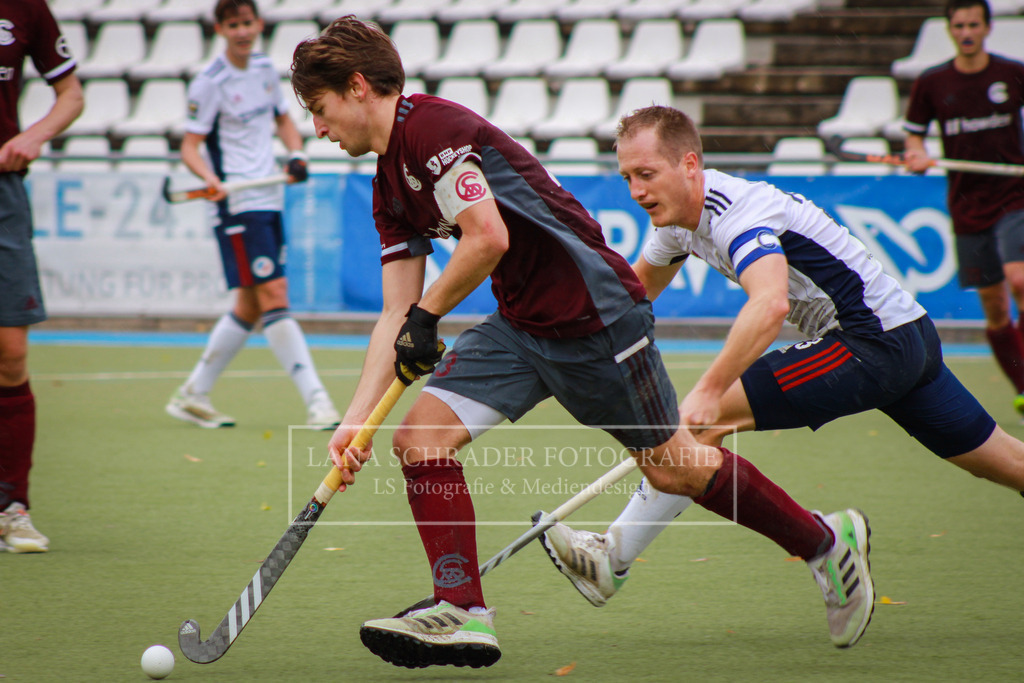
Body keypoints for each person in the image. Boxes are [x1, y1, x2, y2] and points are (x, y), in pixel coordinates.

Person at [290, 17, 875, 669]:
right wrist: (354, 421)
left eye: (319, 109)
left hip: (595, 316)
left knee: (674, 466)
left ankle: (826, 540)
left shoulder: (431, 130)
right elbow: (396, 309)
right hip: (522, 326)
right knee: (418, 441)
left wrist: (428, 315)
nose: (318, 127)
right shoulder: (387, 188)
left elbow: (487, 238)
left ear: (358, 86)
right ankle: (462, 609)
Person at [539, 105, 1024, 614]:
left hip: (872, 344)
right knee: (1010, 464)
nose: (636, 190)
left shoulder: (737, 212)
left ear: (688, 164)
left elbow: (770, 303)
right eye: (626, 177)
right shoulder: (677, 225)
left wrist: (707, 389)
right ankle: (611, 560)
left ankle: (613, 559)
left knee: (698, 430)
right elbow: (634, 299)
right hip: (908, 337)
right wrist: (570, 345)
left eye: (646, 174)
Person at [166, 0, 340, 431]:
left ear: (258, 24)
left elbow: (283, 120)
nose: (242, 31)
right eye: (233, 25)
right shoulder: (210, 83)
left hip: (267, 196)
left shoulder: (264, 69)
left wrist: (296, 153)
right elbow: (190, 145)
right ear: (220, 29)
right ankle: (318, 402)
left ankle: (193, 394)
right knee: (274, 296)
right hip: (237, 204)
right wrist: (209, 177)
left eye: (248, 23)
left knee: (249, 303)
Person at [904, 0, 1024, 411]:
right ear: (950, 30)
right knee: (994, 307)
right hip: (968, 205)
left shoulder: (1012, 74)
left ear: (988, 27)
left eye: (974, 24)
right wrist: (916, 155)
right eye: (960, 25)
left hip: (1015, 195)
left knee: (1020, 280)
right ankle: (1022, 386)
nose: (967, 31)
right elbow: (914, 137)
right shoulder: (932, 82)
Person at [0, 0, 84, 552]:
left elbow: (71, 95)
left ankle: (12, 507)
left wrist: (33, 136)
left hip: (3, 190)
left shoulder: (26, 6)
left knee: (10, 353)